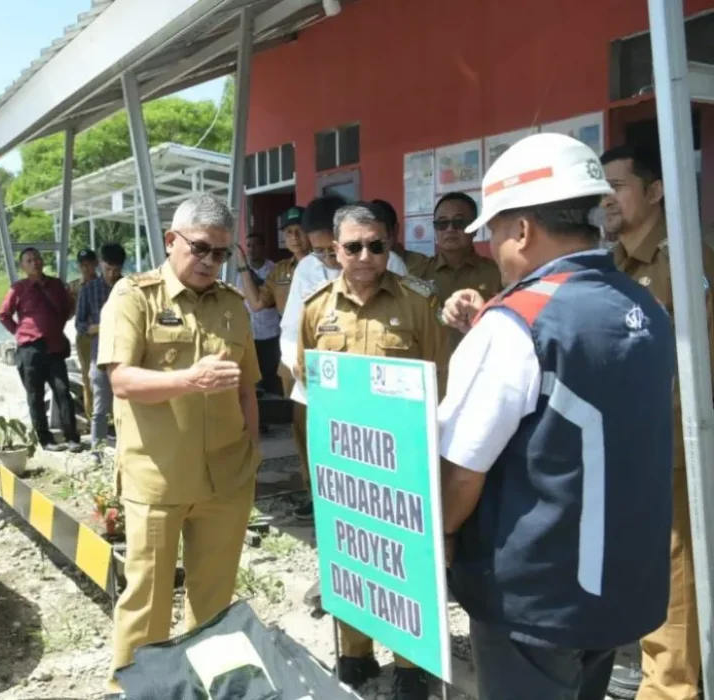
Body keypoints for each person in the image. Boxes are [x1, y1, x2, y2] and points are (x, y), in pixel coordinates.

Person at [438, 133, 675, 700]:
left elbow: (461, 473)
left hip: (532, 601)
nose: (492, 247)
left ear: (522, 230)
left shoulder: (516, 321)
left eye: (494, 231)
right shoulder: (646, 304)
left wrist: (435, 541)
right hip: (618, 589)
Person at [96, 193, 261, 693]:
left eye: (222, 253)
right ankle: (137, 691)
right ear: (171, 240)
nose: (211, 262)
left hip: (226, 480)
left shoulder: (233, 306)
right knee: (147, 602)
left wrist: (250, 451)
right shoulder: (134, 297)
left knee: (213, 600)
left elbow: (246, 387)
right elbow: (121, 380)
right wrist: (190, 379)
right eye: (201, 249)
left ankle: (201, 686)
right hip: (159, 478)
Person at [297, 202, 448, 698]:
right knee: (349, 550)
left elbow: (438, 381)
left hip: (402, 463)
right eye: (354, 246)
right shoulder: (316, 308)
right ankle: (355, 652)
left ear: (389, 246)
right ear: (335, 250)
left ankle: (410, 662)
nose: (365, 255)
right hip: (344, 463)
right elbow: (308, 383)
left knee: (403, 559)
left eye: (376, 245)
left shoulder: (416, 304)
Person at [599, 143, 714, 700]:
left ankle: (671, 690)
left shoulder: (684, 261)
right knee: (646, 573)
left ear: (655, 191)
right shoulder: (612, 263)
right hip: (626, 447)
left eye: (617, 186)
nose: (606, 199)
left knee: (674, 578)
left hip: (673, 446)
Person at [281, 197, 409, 520]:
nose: (327, 259)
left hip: (373, 388)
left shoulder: (386, 263)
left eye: (331, 251)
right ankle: (321, 499)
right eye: (319, 251)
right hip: (315, 382)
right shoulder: (308, 268)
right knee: (314, 443)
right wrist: (297, 367)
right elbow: (290, 328)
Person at [0, 246, 83, 453]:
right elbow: (3, 314)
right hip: (29, 349)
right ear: (23, 266)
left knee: (62, 391)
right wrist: (19, 332)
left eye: (37, 259)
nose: (34, 262)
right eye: (29, 260)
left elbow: (67, 310)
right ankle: (45, 440)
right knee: (34, 396)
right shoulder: (18, 288)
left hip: (54, 346)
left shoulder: (55, 285)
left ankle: (72, 437)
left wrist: (54, 327)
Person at [75, 242, 127, 448]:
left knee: (127, 404)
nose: (112, 274)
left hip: (127, 352)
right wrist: (101, 326)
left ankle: (127, 446)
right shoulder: (88, 290)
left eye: (116, 270)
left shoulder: (129, 287)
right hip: (100, 351)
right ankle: (97, 449)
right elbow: (80, 325)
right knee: (100, 404)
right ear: (100, 264)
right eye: (108, 269)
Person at [233, 232, 283, 400]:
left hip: (270, 335)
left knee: (271, 378)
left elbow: (265, 296)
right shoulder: (237, 272)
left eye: (255, 245)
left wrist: (244, 268)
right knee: (252, 379)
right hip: (248, 335)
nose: (251, 249)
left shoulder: (274, 269)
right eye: (249, 246)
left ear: (263, 247)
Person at [69, 248, 99, 420]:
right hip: (85, 339)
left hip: (103, 335)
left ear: (96, 263)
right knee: (88, 377)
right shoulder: (74, 287)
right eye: (82, 265)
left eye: (89, 264)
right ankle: (91, 415)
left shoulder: (104, 283)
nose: (85, 268)